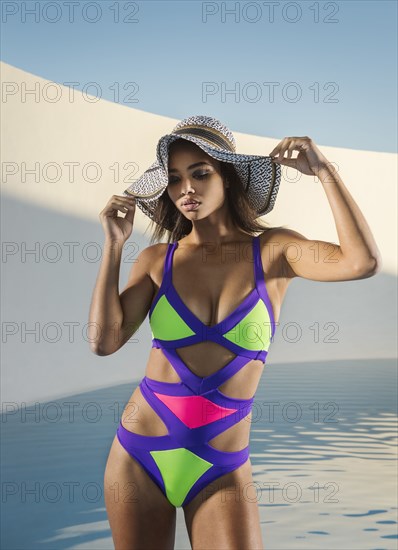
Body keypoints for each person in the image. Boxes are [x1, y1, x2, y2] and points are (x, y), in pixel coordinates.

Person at [88, 116, 382, 549]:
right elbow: (103, 341)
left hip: (220, 464)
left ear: (229, 177)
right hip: (138, 454)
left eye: (200, 173)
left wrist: (325, 173)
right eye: (174, 179)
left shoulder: (276, 251)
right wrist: (113, 246)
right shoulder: (156, 260)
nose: (186, 188)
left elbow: (361, 263)